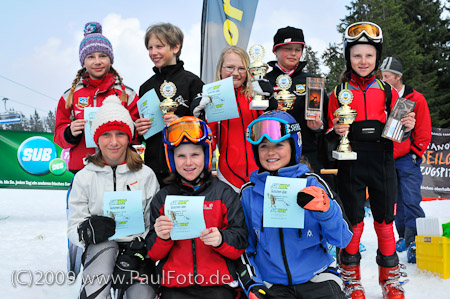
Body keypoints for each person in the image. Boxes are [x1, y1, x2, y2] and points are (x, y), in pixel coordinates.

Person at [326, 22, 415, 299]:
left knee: (385, 221)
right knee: (353, 222)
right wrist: (335, 130)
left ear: (377, 58)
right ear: (348, 57)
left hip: (382, 160)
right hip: (350, 161)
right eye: (356, 55)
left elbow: (399, 131)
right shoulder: (337, 91)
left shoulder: (388, 91)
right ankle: (351, 279)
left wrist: (408, 125)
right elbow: (327, 132)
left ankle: (389, 280)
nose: (362, 61)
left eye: (368, 55)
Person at [237, 110, 352, 299]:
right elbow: (244, 248)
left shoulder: (313, 183)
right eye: (264, 146)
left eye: (279, 145)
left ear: (293, 146)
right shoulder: (248, 193)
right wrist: (252, 284)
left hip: (317, 278)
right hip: (272, 283)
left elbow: (342, 238)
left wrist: (326, 211)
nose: (271, 152)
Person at [67, 96, 160, 298]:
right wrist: (85, 232)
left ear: (129, 137)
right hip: (101, 246)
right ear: (97, 139)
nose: (114, 142)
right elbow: (74, 226)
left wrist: (140, 247)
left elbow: (154, 223)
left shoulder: (146, 175)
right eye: (106, 135)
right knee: (97, 292)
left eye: (121, 134)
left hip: (137, 248)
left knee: (141, 295)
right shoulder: (84, 177)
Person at [146, 116, 248, 299]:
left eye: (195, 155)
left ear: (207, 155)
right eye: (181, 156)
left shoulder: (224, 194)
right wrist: (162, 237)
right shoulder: (162, 198)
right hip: (174, 287)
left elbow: (240, 242)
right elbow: (152, 253)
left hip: (218, 284)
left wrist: (221, 239)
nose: (188, 163)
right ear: (172, 158)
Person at [54, 21, 140, 174]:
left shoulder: (127, 94)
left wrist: (133, 129)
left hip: (118, 168)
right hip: (82, 168)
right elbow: (59, 136)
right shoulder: (70, 96)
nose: (97, 61)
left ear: (110, 59)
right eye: (91, 57)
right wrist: (69, 131)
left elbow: (138, 133)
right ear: (83, 61)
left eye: (103, 56)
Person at [192, 46, 275, 192]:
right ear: (220, 69)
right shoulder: (211, 99)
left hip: (262, 173)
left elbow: (274, 133)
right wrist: (199, 121)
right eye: (230, 67)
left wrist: (272, 103)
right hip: (227, 175)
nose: (236, 73)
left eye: (242, 68)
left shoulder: (257, 95)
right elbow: (208, 145)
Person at [135, 23, 204, 187]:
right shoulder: (145, 87)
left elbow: (205, 126)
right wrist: (139, 128)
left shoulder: (193, 83)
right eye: (150, 48)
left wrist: (180, 123)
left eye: (159, 46)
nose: (153, 52)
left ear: (175, 47)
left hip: (186, 170)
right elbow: (141, 135)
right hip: (154, 168)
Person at [380, 57, 432, 263]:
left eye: (387, 76)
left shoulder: (415, 98)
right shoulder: (382, 96)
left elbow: (423, 129)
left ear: (398, 77)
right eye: (381, 76)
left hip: (407, 158)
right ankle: (403, 236)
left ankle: (415, 241)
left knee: (410, 198)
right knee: (396, 201)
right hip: (386, 157)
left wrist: (416, 152)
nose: (383, 80)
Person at [265, 26, 329, 175]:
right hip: (272, 153)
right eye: (288, 48)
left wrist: (317, 127)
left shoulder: (312, 82)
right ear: (275, 50)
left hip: (306, 154)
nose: (293, 53)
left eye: (298, 49)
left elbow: (326, 120)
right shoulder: (264, 81)